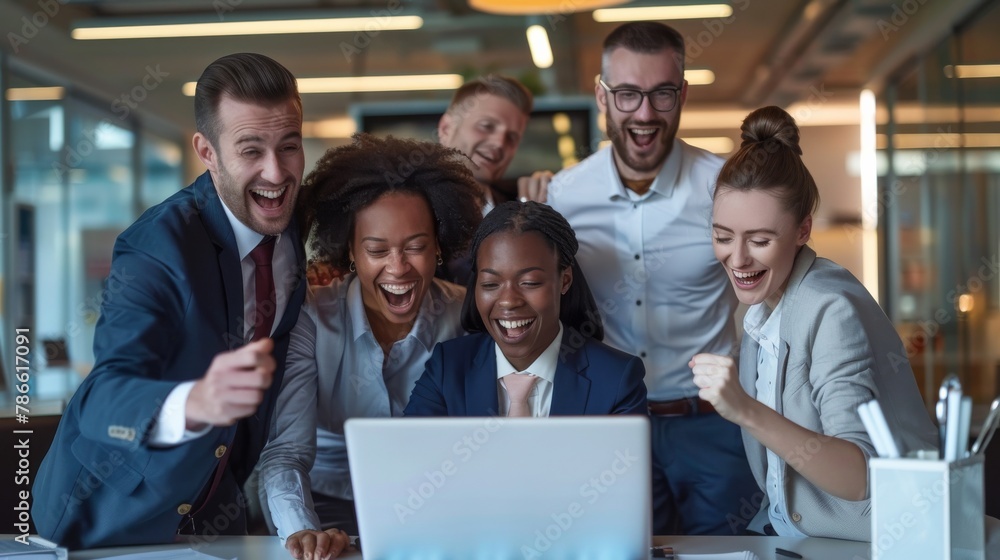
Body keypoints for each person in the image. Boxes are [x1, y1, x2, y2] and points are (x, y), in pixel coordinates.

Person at [32, 53, 310, 549]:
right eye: (251, 150)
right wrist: (195, 402)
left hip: (216, 511)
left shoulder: (291, 222)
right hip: (108, 518)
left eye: (289, 146)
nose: (276, 171)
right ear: (207, 150)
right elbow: (102, 399)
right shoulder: (156, 247)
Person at [545, 21, 759, 535]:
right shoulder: (564, 195)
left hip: (714, 424)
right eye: (626, 94)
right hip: (612, 425)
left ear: (682, 93)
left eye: (662, 94)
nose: (644, 113)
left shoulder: (724, 187)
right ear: (601, 95)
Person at [690, 106, 938, 540]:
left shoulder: (829, 308)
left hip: (873, 541)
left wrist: (744, 409)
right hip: (791, 538)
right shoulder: (761, 309)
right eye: (722, 236)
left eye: (761, 240)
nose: (738, 258)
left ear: (803, 230)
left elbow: (858, 476)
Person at [257, 133, 483, 560]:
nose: (397, 267)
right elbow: (285, 454)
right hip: (322, 500)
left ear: (439, 248)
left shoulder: (467, 317)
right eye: (377, 250)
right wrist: (304, 534)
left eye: (416, 247)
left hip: (434, 501)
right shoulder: (311, 317)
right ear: (350, 254)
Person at [405, 201, 647, 417]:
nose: (509, 301)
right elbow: (411, 457)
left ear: (564, 281)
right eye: (491, 284)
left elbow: (627, 467)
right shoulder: (448, 367)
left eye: (529, 283)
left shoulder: (617, 379)